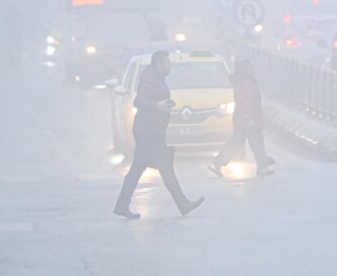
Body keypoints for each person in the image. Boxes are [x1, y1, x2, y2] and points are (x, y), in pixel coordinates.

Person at [114, 50, 204, 219]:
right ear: (158, 64)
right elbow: (138, 101)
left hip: (152, 131)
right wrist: (158, 106)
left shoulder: (156, 79)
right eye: (166, 63)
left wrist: (164, 105)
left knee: (138, 169)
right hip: (149, 133)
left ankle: (122, 205)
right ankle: (182, 203)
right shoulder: (149, 81)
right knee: (165, 169)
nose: (169, 66)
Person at [208, 59, 275, 177]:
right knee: (256, 142)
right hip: (249, 118)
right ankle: (262, 165)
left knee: (236, 142)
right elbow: (245, 101)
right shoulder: (247, 82)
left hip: (242, 118)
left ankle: (218, 162)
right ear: (246, 68)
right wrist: (248, 117)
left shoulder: (240, 81)